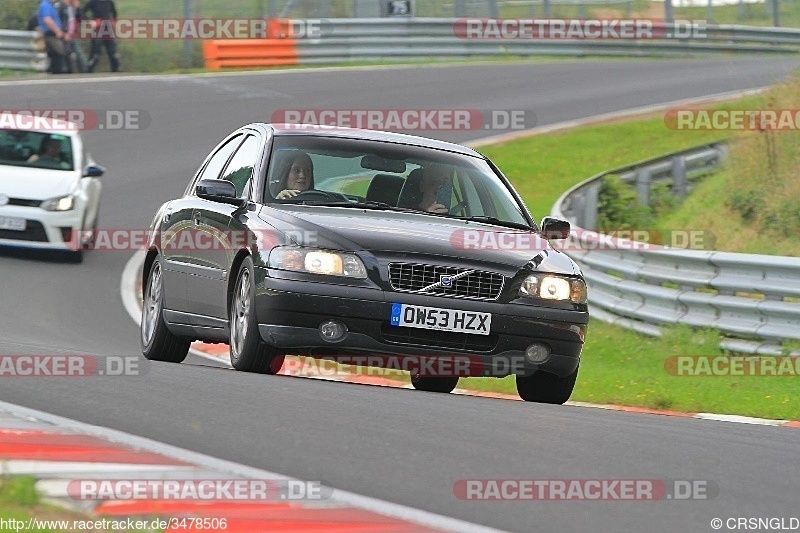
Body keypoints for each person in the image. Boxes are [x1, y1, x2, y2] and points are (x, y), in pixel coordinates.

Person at [83, 0, 120, 73]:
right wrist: (89, 21)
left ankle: (116, 72)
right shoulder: (93, 2)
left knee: (113, 53)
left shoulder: (109, 2)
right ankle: (88, 72)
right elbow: (82, 12)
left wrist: (113, 22)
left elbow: (115, 13)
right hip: (97, 30)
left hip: (108, 30)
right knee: (95, 54)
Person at [38, 0, 69, 74]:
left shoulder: (51, 5)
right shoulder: (45, 5)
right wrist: (57, 31)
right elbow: (47, 20)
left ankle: (54, 71)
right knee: (59, 53)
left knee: (55, 54)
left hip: (53, 33)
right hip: (51, 34)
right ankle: (57, 72)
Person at [59, 0, 88, 73]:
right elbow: (59, 21)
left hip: (72, 35)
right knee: (70, 56)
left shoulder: (71, 8)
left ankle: (84, 73)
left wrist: (77, 8)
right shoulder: (61, 7)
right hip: (65, 35)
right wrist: (65, 33)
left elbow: (81, 18)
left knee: (78, 57)